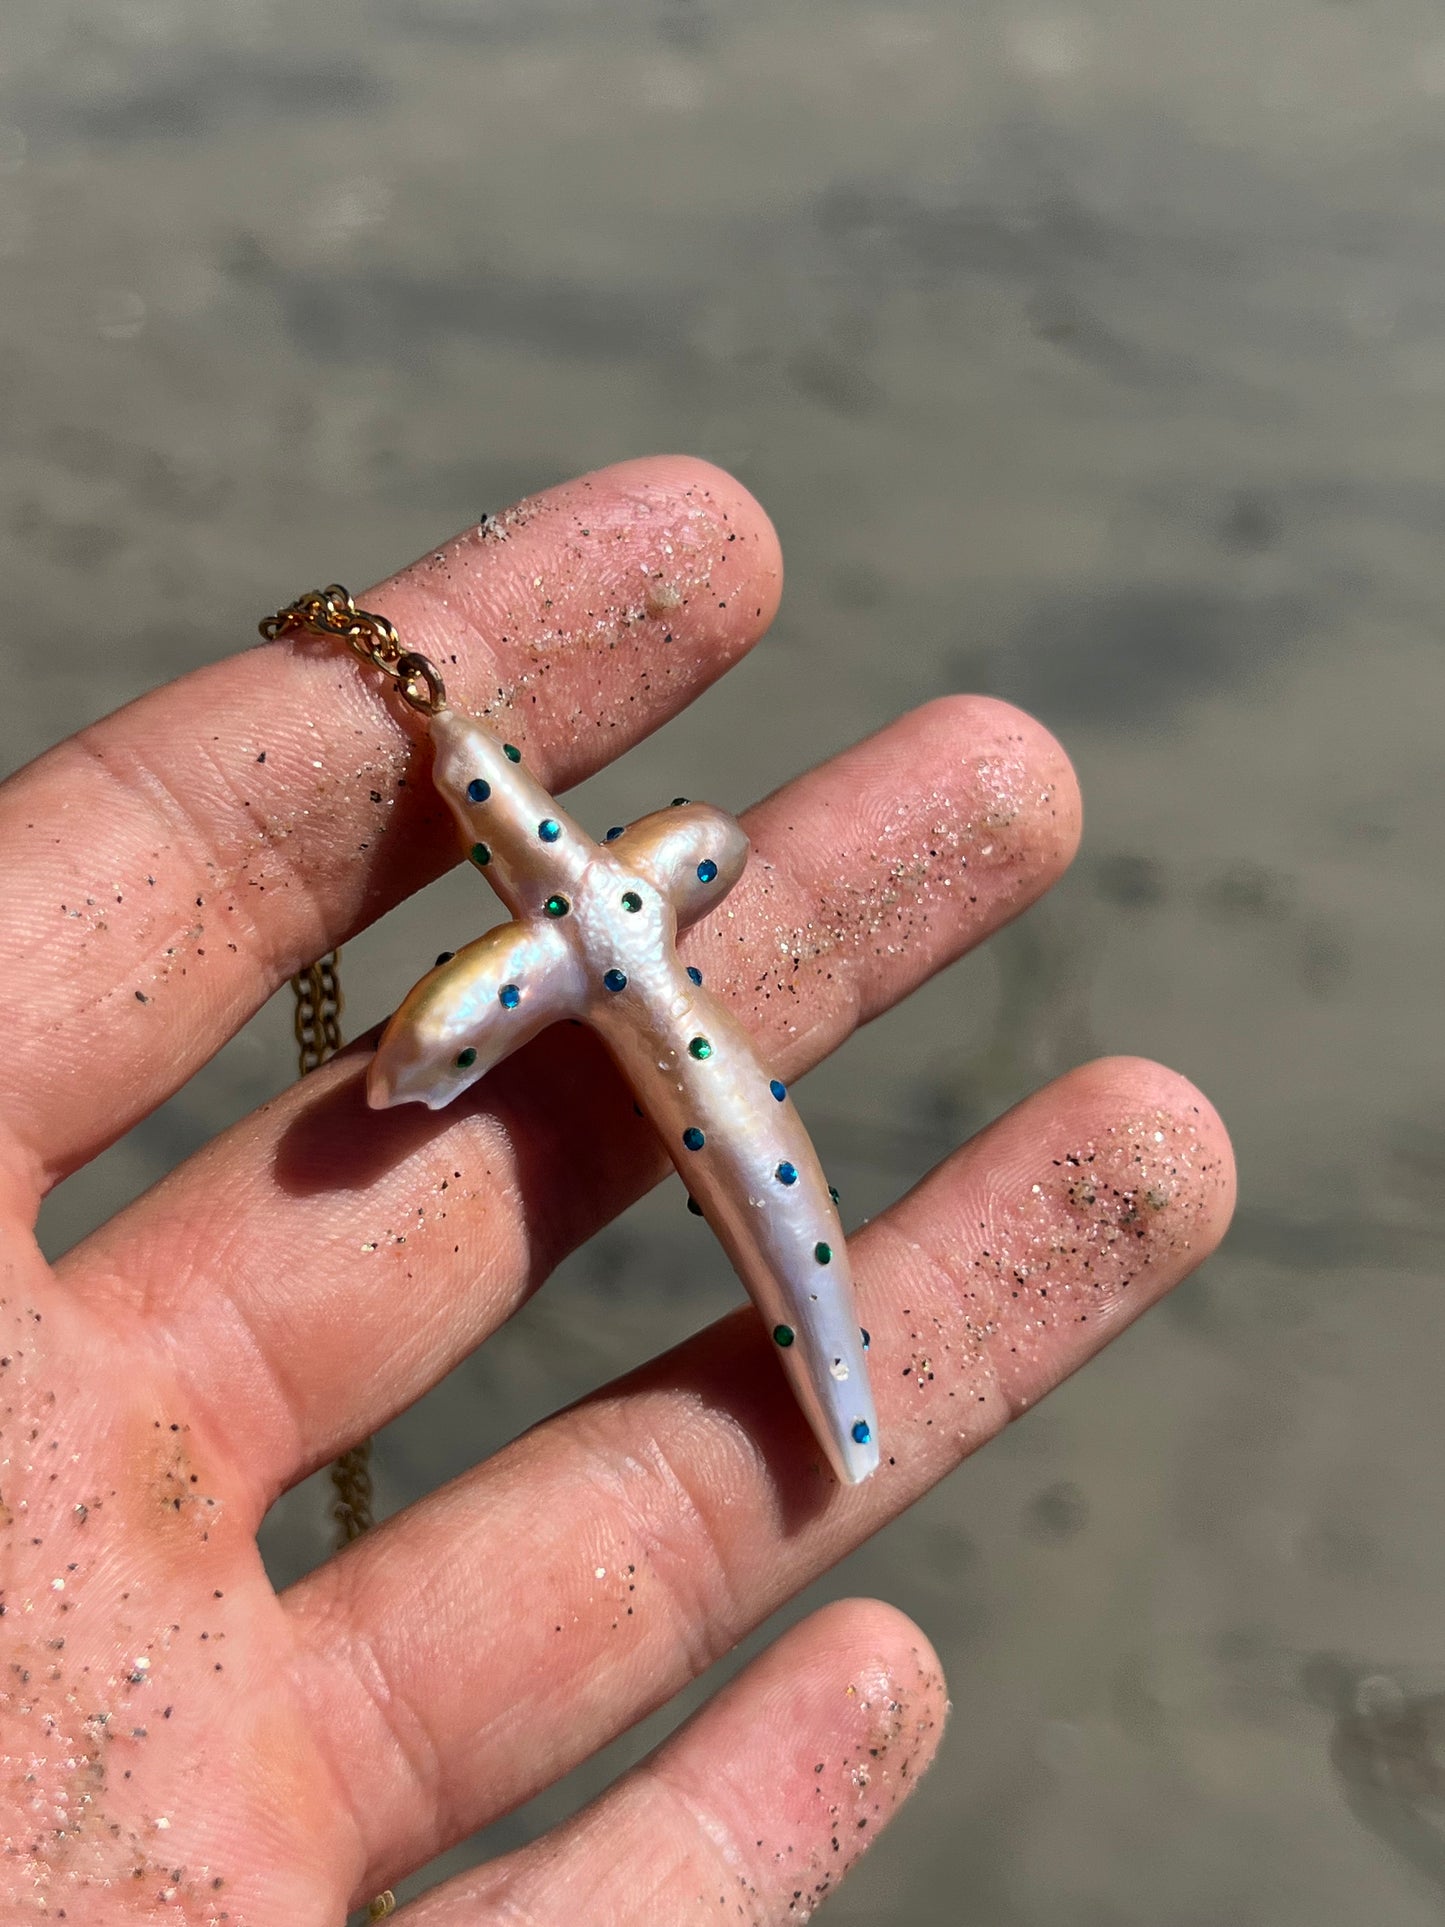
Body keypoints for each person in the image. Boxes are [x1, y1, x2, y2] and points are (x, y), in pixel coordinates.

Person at [0, 457, 1234, 1924]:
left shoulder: (598, 904)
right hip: (704, 1068)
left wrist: (424, 1058)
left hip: (712, 1082)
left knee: (787, 1230)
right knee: (785, 1222)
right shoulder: (609, 895)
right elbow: (465, 1018)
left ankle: (839, 1394)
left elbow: (442, 1035)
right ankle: (835, 1399)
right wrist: (425, 1054)